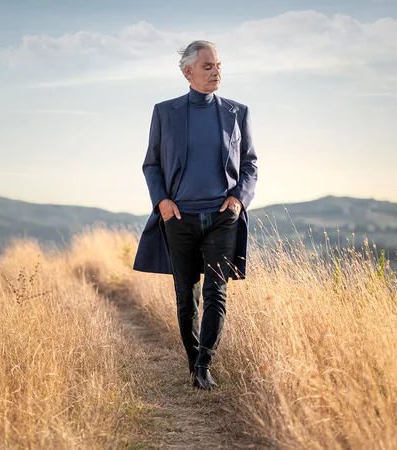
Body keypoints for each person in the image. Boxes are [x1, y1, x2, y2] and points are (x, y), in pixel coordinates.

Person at [132, 40, 258, 390]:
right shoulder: (164, 112)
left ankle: (204, 365)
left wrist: (238, 199)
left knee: (216, 293)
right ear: (188, 72)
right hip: (179, 218)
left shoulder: (238, 112)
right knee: (186, 294)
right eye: (207, 66)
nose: (216, 71)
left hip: (222, 218)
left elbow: (249, 164)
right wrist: (163, 203)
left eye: (218, 65)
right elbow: (152, 164)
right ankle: (192, 363)